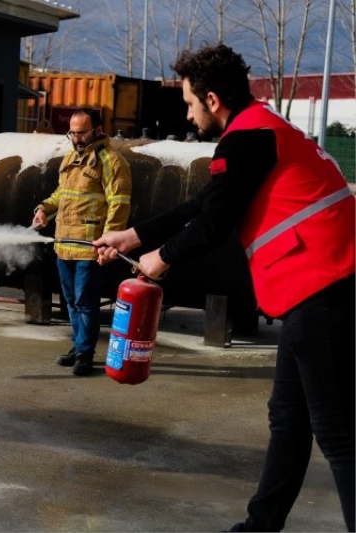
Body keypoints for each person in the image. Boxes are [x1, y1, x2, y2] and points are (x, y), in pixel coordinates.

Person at [94, 44, 355, 532]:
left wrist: (159, 260)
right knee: (289, 420)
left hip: (321, 287)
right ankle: (261, 525)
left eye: (190, 104)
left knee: (339, 434)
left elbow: (213, 222)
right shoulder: (260, 129)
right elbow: (207, 202)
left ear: (212, 100)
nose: (188, 114)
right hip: (315, 290)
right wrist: (134, 235)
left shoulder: (248, 137)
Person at [32, 108, 132, 376]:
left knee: (86, 303)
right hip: (64, 245)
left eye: (81, 132)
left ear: (97, 130)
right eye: (72, 133)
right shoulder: (69, 159)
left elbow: (119, 205)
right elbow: (61, 194)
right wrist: (43, 209)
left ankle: (85, 354)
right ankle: (78, 347)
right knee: (71, 301)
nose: (75, 138)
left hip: (90, 248)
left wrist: (108, 243)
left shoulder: (111, 161)